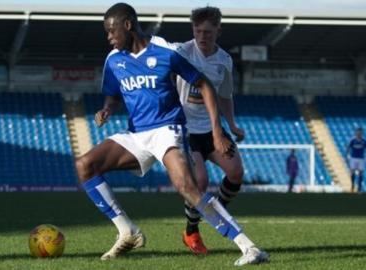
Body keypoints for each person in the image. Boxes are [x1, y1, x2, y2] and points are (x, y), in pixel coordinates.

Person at [75, 2, 268, 265]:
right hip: (136, 135)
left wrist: (218, 130)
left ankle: (248, 247)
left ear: (128, 25)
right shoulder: (114, 60)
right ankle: (127, 231)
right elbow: (113, 95)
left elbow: (205, 84)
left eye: (111, 31)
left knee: (188, 187)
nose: (109, 38)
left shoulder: (165, 51)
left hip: (167, 129)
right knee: (85, 165)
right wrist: (107, 109)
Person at [174, 6, 246, 255]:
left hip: (212, 129)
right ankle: (191, 231)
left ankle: (213, 213)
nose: (202, 36)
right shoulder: (182, 53)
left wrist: (233, 124)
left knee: (236, 172)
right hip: (185, 130)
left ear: (218, 30)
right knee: (200, 181)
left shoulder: (224, 60)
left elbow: (225, 96)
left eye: (207, 31)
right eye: (197, 30)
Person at [346, 127, 366, 192]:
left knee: (361, 172)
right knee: (352, 171)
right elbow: (348, 148)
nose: (359, 133)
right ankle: (352, 185)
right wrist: (347, 155)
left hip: (361, 158)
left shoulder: (364, 141)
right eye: (358, 132)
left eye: (360, 132)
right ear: (356, 132)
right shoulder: (353, 140)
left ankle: (359, 187)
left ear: (362, 133)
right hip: (353, 158)